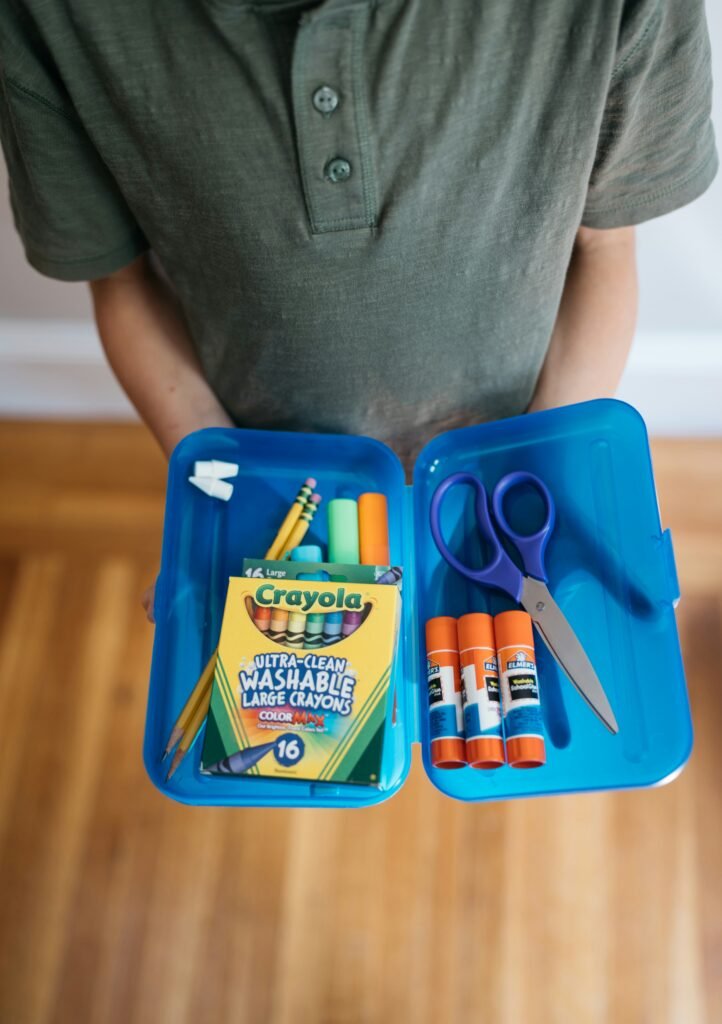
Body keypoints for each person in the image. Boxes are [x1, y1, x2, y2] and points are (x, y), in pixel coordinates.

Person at [1, 0, 717, 616]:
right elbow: (121, 285)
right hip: (267, 476)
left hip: (519, 454)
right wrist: (221, 489)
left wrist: (541, 468)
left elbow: (605, 245)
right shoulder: (49, 17)